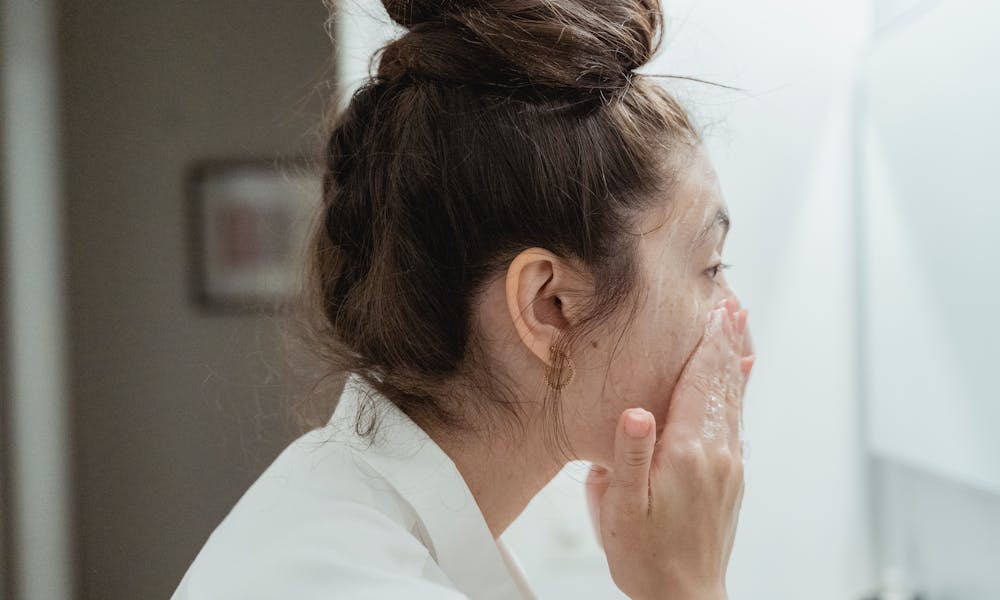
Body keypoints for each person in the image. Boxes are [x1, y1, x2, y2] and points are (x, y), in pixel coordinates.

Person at [172, 0, 756, 598]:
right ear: (548, 305)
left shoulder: (368, 527)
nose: (735, 327)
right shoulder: (350, 582)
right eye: (712, 267)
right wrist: (687, 584)